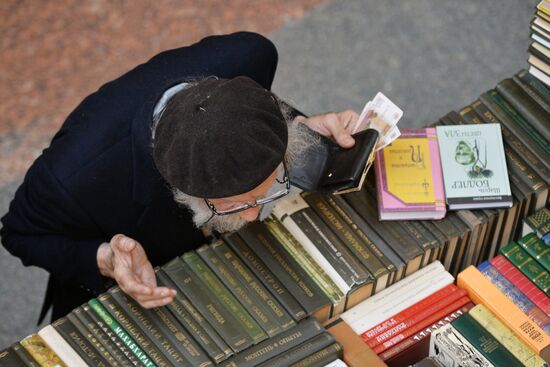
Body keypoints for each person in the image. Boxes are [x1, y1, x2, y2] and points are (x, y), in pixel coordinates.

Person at [0, 32, 360, 323]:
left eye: (262, 195)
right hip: (135, 282)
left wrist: (295, 131)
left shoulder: (249, 55)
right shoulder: (70, 179)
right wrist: (106, 258)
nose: (253, 216)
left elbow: (245, 113)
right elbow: (18, 234)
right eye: (233, 205)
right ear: (178, 188)